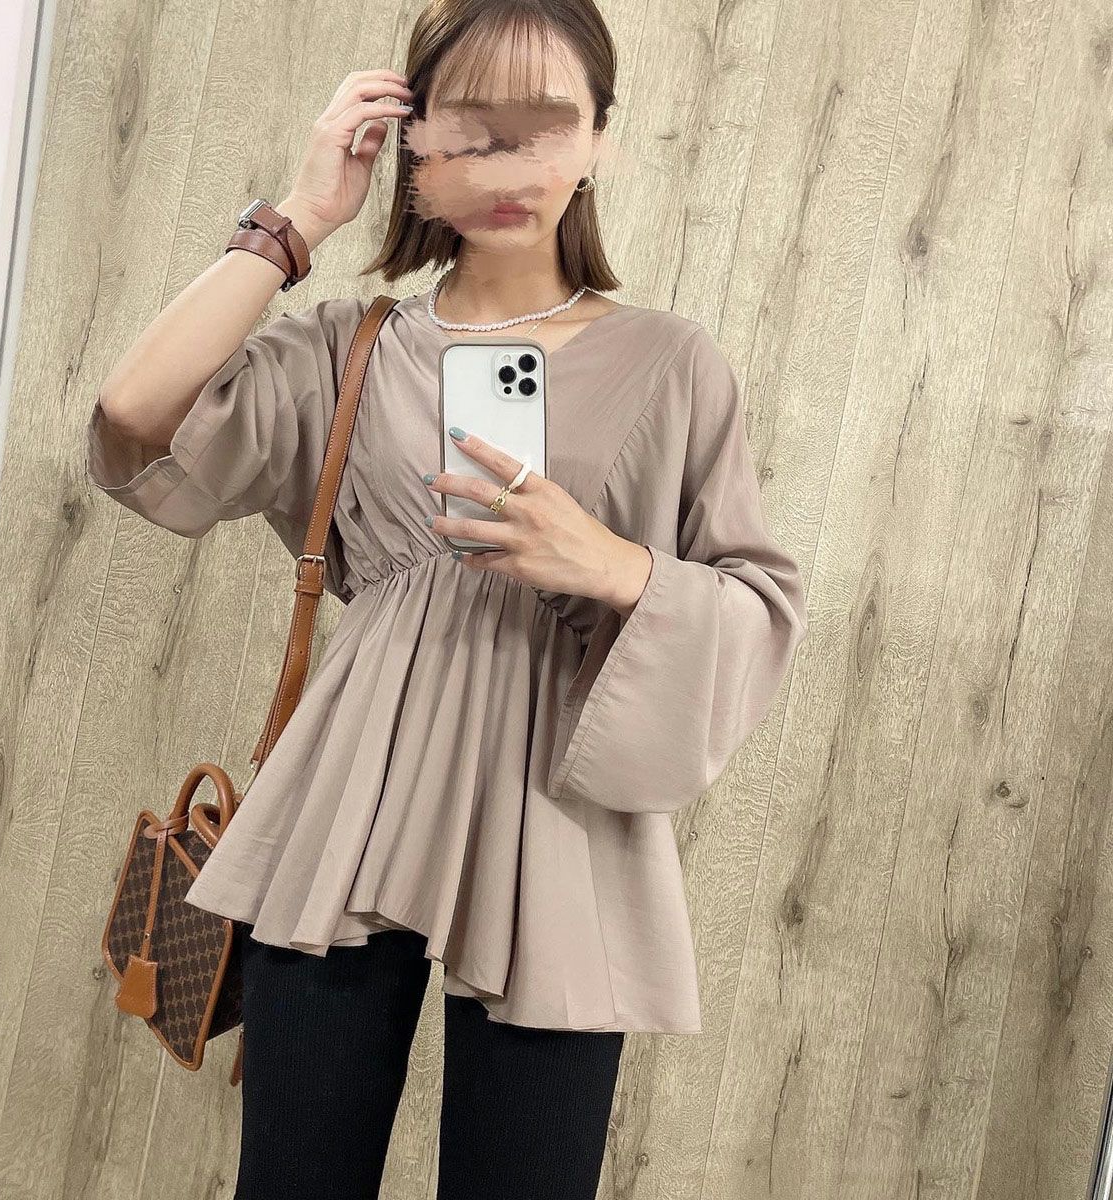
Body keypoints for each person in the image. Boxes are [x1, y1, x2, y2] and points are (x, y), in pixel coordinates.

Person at [84, 2, 809, 1197]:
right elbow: (135, 415)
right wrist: (300, 215)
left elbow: (760, 603)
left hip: (561, 830)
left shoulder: (673, 364)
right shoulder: (349, 349)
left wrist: (610, 564)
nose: (508, 165)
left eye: (545, 127)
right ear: (415, 148)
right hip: (348, 811)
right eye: (470, 129)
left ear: (598, 140)